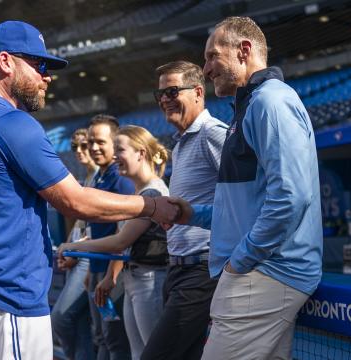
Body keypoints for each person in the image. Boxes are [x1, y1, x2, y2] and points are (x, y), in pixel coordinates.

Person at [0, 20, 178, 360]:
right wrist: (151, 207)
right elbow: (75, 201)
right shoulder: (9, 122)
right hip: (1, 298)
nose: (46, 77)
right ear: (5, 61)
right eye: (38, 65)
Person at [169, 17, 323, 359]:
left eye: (212, 56)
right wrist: (190, 213)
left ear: (244, 50)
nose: (206, 69)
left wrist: (240, 262)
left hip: (265, 271)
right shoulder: (251, 106)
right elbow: (241, 210)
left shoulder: (271, 101)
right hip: (263, 271)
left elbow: (291, 197)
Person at [140, 61, 228, 360]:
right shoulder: (181, 144)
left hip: (201, 272)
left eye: (172, 91)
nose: (164, 99)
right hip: (177, 269)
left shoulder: (213, 134)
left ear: (198, 92)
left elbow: (245, 201)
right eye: (160, 93)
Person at [58, 125, 170, 360]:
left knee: (151, 353)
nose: (115, 156)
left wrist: (74, 247)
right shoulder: (139, 193)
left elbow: (121, 241)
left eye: (120, 149)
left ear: (141, 153)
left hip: (150, 281)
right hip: (135, 280)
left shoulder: (152, 194)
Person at [84, 114, 133, 360]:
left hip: (113, 275)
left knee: (115, 341)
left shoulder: (121, 179)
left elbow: (123, 233)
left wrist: (110, 275)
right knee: (101, 337)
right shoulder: (98, 177)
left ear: (115, 143)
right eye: (90, 141)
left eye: (100, 142)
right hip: (96, 270)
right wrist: (90, 272)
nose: (93, 147)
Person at [51, 129, 97, 360]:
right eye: (74, 147)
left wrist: (73, 248)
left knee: (60, 318)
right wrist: (66, 245)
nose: (79, 151)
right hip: (78, 255)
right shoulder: (86, 178)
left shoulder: (102, 176)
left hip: (91, 257)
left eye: (84, 145)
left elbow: (103, 228)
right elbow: (80, 223)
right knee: (79, 324)